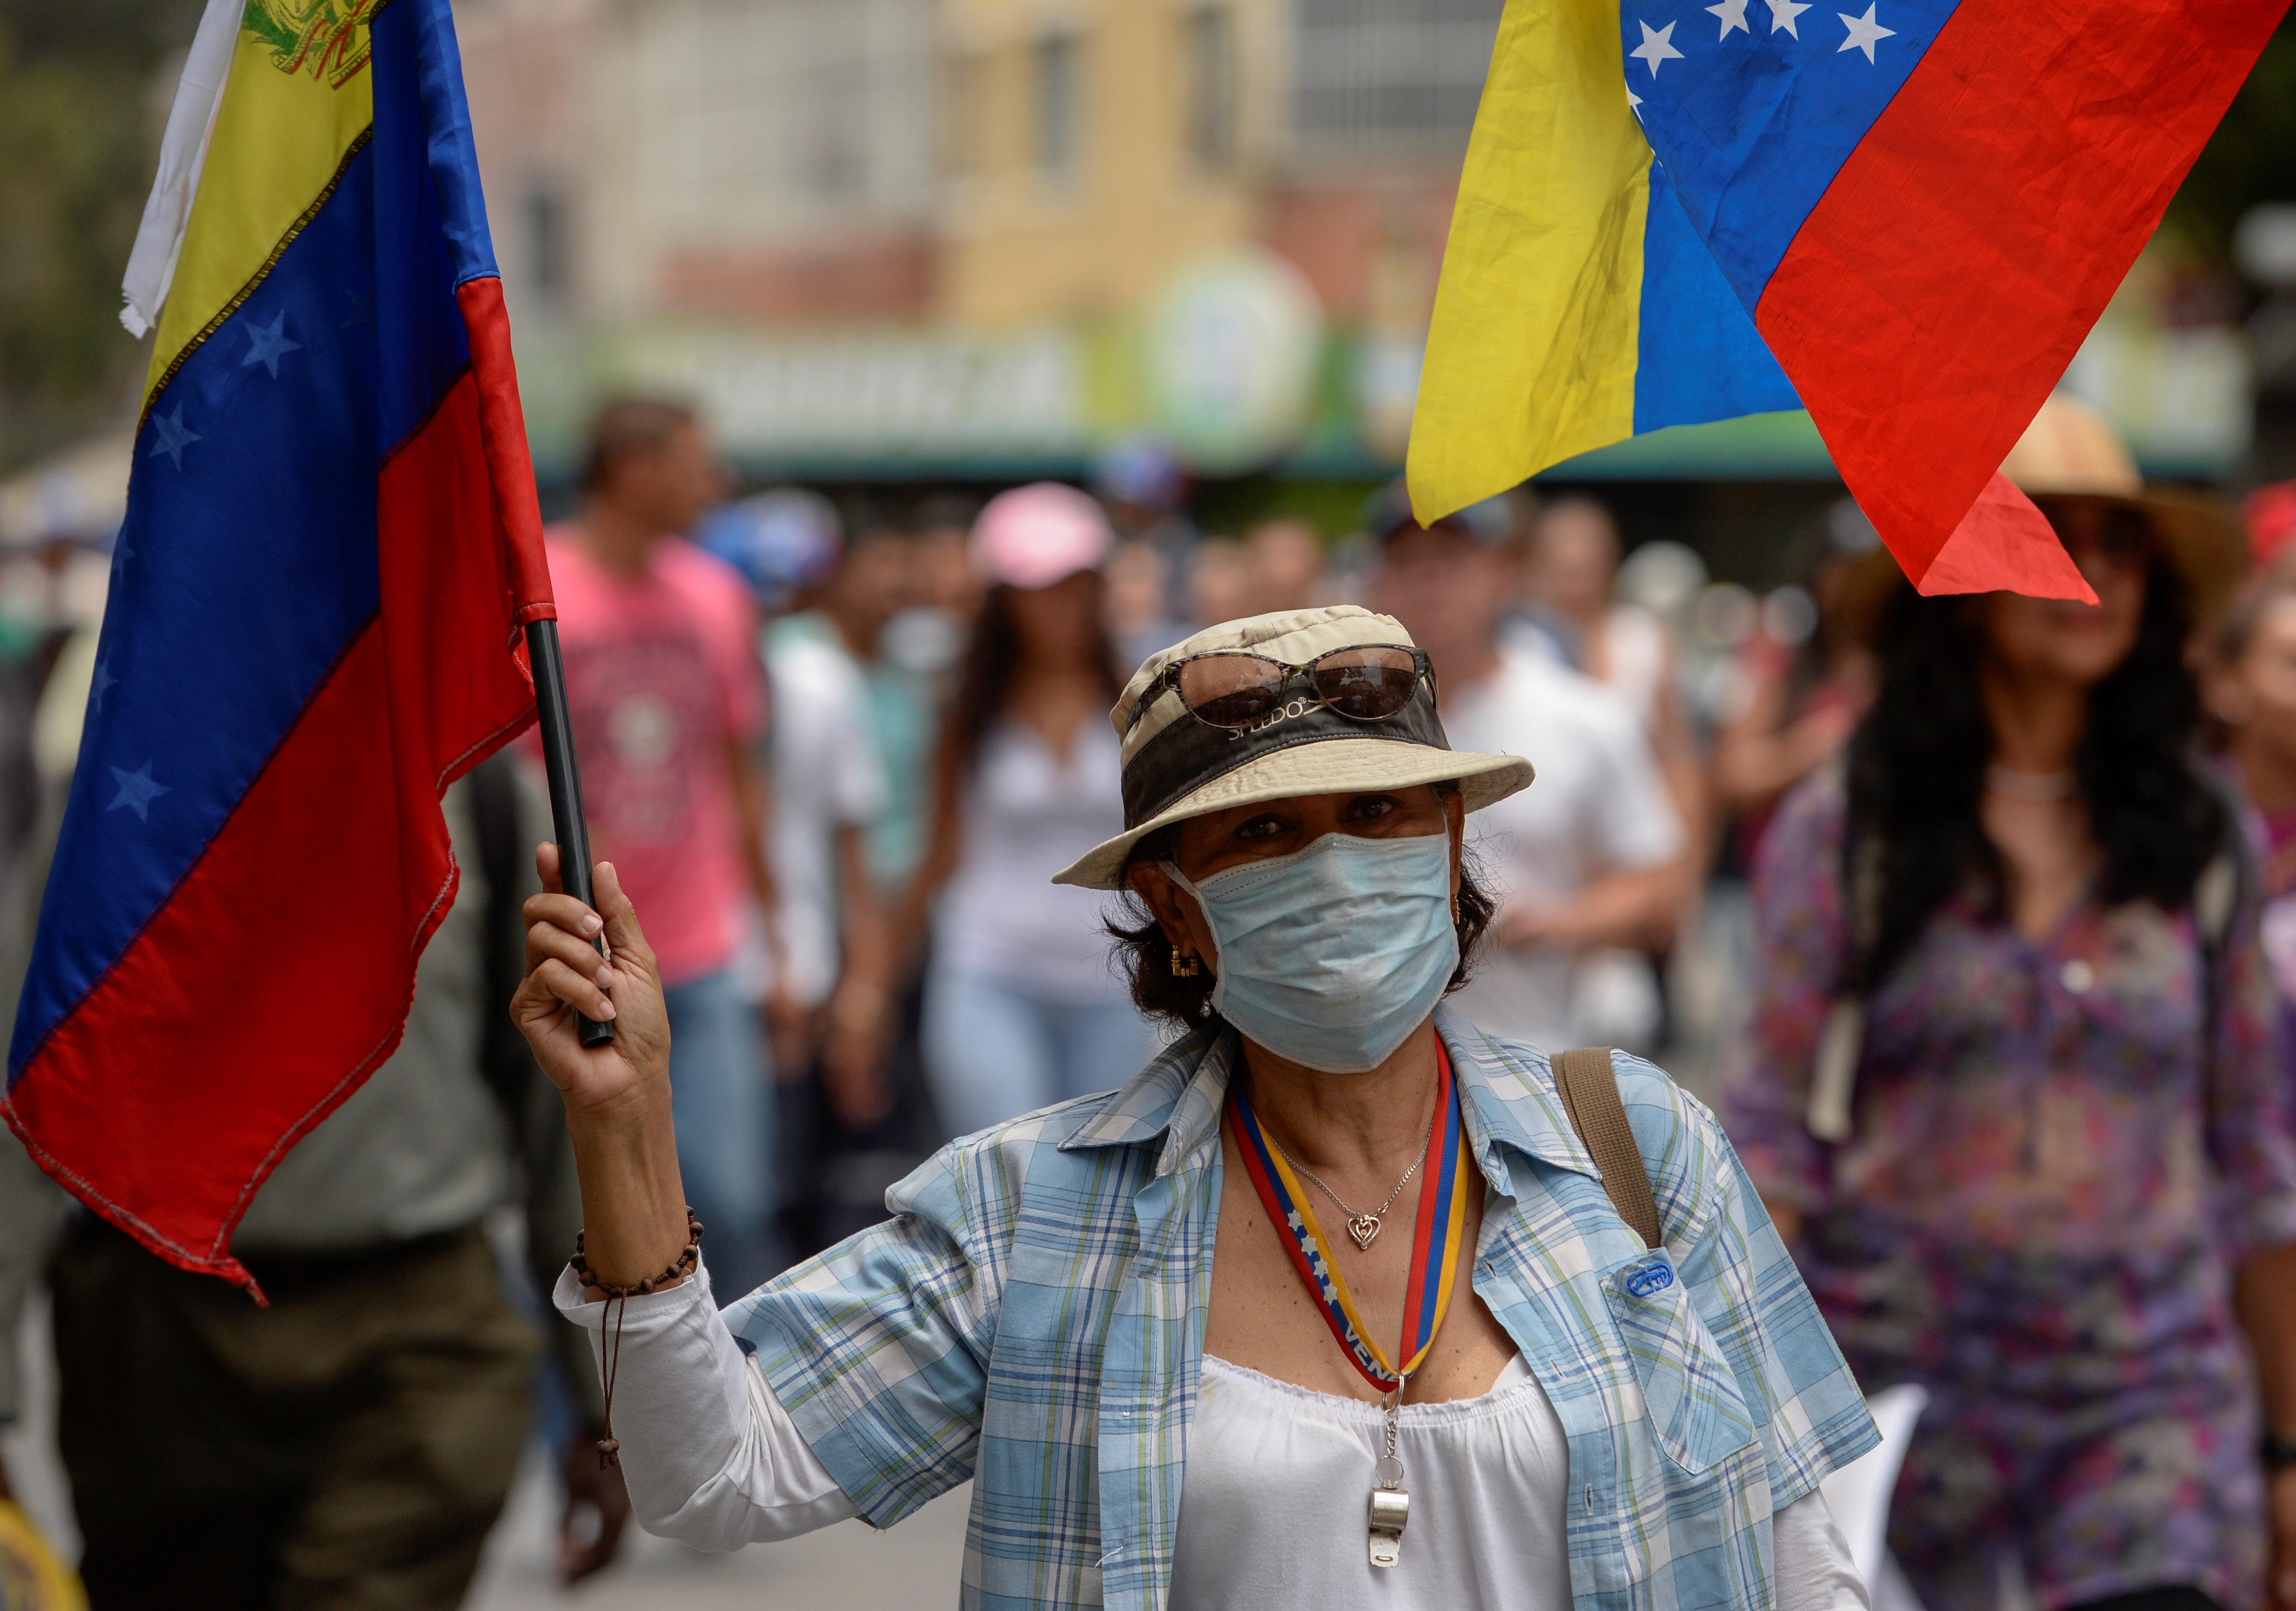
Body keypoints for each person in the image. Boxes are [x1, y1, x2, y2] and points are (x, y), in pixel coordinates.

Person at [513, 604, 1879, 1608]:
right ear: (1175, 908)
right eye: (1269, 833)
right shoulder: (1038, 1208)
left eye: (1381, 812)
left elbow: (1809, 1559)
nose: (1340, 865)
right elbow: (709, 1473)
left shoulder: (1636, 1147)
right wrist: (624, 1125)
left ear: (1454, 845)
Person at [1720, 395, 2296, 1611]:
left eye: (2120, 540)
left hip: (2152, 1408)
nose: (2091, 567)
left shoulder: (2203, 838)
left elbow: (2255, 1159)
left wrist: (2290, 1448)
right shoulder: (1851, 826)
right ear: (1961, 577)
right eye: (2049, 530)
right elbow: (1768, 1133)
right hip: (1896, 1399)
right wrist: (1739, 1417)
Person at [0, 752, 628, 1606]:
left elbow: (562, 1110)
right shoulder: (133, 768)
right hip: (161, 1349)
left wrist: (606, 1399)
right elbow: (28, 1088)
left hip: (415, 1332)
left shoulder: (478, 788)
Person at [544, 397, 785, 1295]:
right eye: (697, 463)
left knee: (731, 1195)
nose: (714, 484)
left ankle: (739, 1401)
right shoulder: (540, 593)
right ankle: (587, 1425)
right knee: (581, 1212)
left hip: (702, 949)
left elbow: (740, 771)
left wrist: (781, 932)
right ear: (634, 472)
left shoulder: (718, 596)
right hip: (582, 958)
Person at [1369, 483, 1689, 1054]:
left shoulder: (1583, 716)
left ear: (1501, 573)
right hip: (1378, 1071)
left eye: (1449, 561)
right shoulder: (1348, 726)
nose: (1426, 582)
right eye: (1405, 562)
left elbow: (1661, 892)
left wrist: (1558, 923)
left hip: (1540, 1065)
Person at [899, 482, 1159, 1136]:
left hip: (1117, 984)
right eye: (1038, 586)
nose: (1058, 605)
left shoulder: (1142, 698)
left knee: (1105, 1199)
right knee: (1006, 1182)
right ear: (1003, 598)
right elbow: (937, 852)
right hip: (991, 974)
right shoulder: (966, 709)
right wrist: (869, 993)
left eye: (1073, 583)